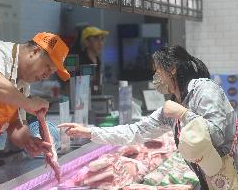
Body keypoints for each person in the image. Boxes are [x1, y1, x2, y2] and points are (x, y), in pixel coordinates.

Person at [59, 45, 238, 189]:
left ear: (172, 69)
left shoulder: (203, 89)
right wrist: (89, 132)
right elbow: (136, 131)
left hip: (231, 170)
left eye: (157, 71)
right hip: (209, 174)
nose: (155, 77)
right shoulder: (174, 104)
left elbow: (217, 134)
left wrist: (184, 114)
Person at [0, 31, 70, 182]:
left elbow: (14, 126)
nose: (46, 76)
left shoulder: (23, 86)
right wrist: (29, 103)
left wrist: (29, 140)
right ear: (35, 52)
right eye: (47, 67)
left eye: (51, 73)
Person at [79, 26, 109, 95]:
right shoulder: (81, 63)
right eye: (96, 39)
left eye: (102, 39)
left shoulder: (98, 61)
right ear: (86, 42)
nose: (101, 43)